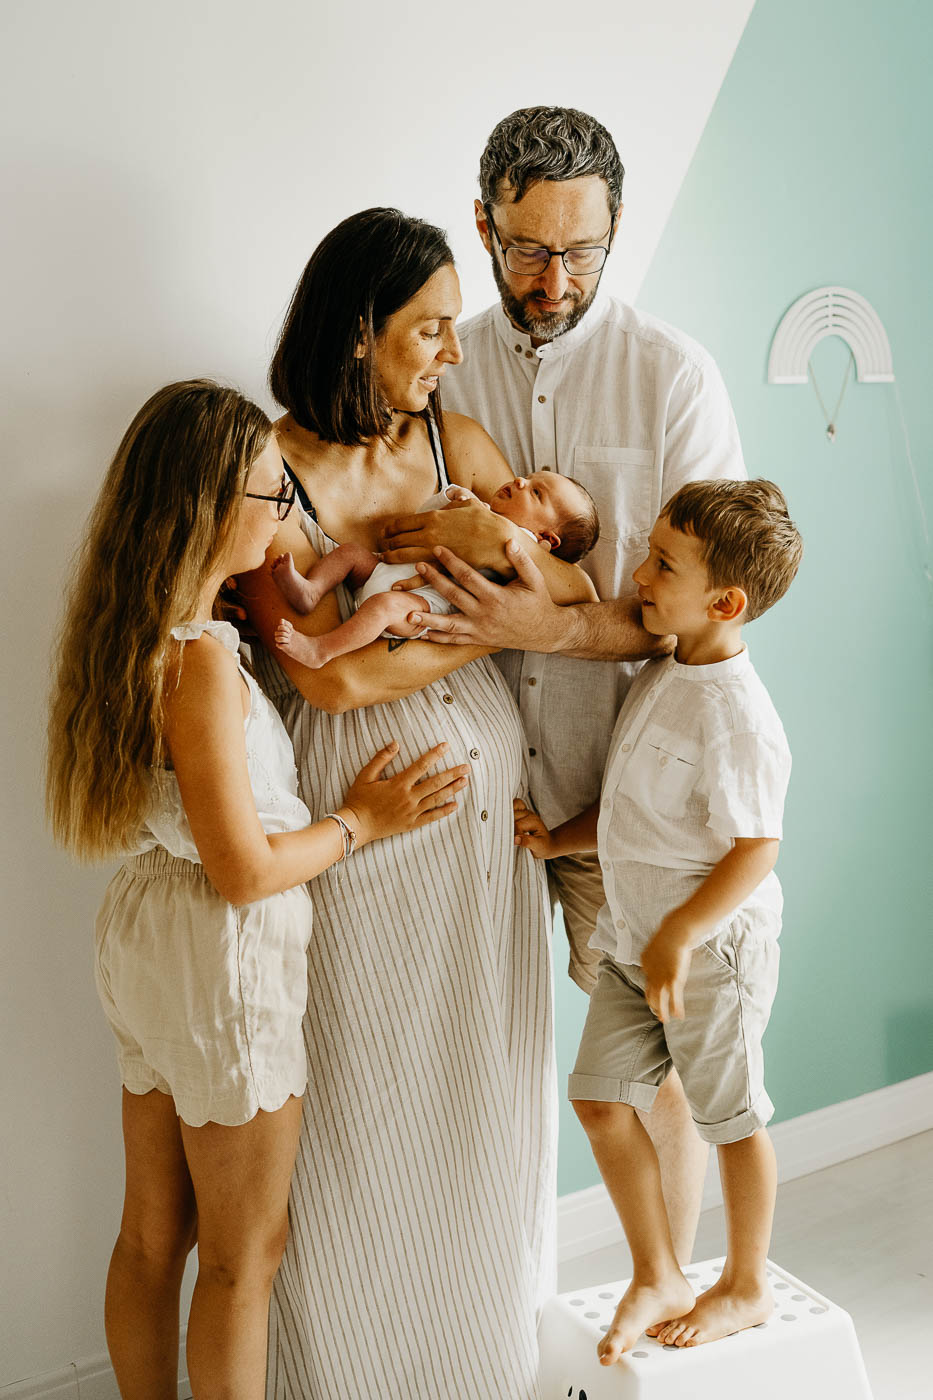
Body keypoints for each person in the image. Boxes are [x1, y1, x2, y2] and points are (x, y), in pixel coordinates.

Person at [45, 380, 469, 1400]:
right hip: (223, 955)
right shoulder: (198, 665)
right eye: (273, 500)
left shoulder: (134, 631)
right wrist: (362, 821)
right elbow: (241, 869)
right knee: (245, 1253)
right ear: (209, 506)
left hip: (148, 933)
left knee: (153, 1232)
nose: (286, 525)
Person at [383, 105, 747, 1260]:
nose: (552, 279)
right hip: (470, 775)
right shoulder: (442, 362)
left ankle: (667, 1293)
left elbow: (703, 618)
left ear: (618, 229)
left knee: (651, 1070)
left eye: (580, 251)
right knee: (462, 1065)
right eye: (526, 247)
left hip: (623, 800)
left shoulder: (673, 377)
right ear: (482, 224)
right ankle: (483, 1299)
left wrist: (547, 620)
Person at [237, 207, 590, 1398]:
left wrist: (495, 574)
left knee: (484, 1087)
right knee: (358, 1096)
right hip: (359, 819)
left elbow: (568, 586)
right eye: (428, 329)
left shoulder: (457, 440)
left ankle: (477, 1366)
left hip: (484, 830)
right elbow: (327, 676)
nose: (450, 352)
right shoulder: (266, 469)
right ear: (355, 334)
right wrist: (471, 620)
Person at [515, 479, 802, 1361]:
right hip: (636, 942)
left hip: (704, 954)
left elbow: (754, 849)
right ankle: (660, 1272)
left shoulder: (739, 719)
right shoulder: (662, 670)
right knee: (599, 1101)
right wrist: (556, 837)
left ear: (724, 601)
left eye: (660, 565)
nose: (637, 574)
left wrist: (679, 934)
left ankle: (746, 1284)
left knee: (730, 1120)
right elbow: (631, 805)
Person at [271, 470, 599, 667]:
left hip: (425, 601)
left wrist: (496, 535)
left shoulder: (520, 557)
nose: (520, 480)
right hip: (384, 570)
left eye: (536, 492)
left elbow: (561, 593)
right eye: (527, 477)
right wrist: (449, 498)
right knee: (352, 553)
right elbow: (427, 519)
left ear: (546, 539)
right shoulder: (477, 509)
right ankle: (312, 590)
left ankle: (321, 650)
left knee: (383, 607)